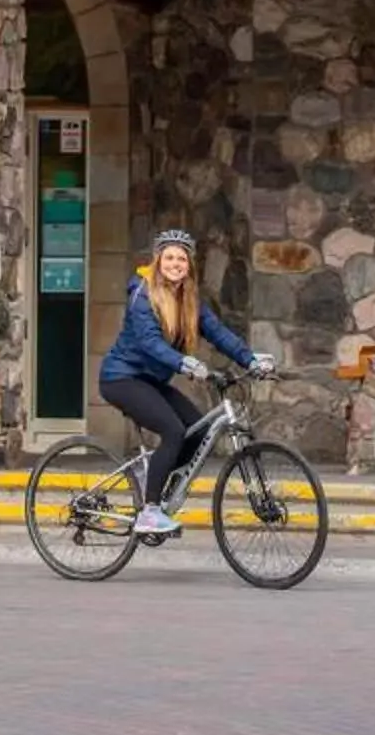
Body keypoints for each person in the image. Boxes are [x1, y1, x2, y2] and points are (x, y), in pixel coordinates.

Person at [98, 228, 270, 535]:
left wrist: (251, 359)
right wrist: (183, 362)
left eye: (182, 258)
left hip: (151, 381)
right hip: (121, 378)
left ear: (189, 265)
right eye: (169, 257)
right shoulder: (142, 293)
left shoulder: (189, 300)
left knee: (199, 431)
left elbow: (218, 333)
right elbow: (150, 342)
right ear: (158, 260)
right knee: (173, 430)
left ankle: (157, 487)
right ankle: (150, 512)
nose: (175, 263)